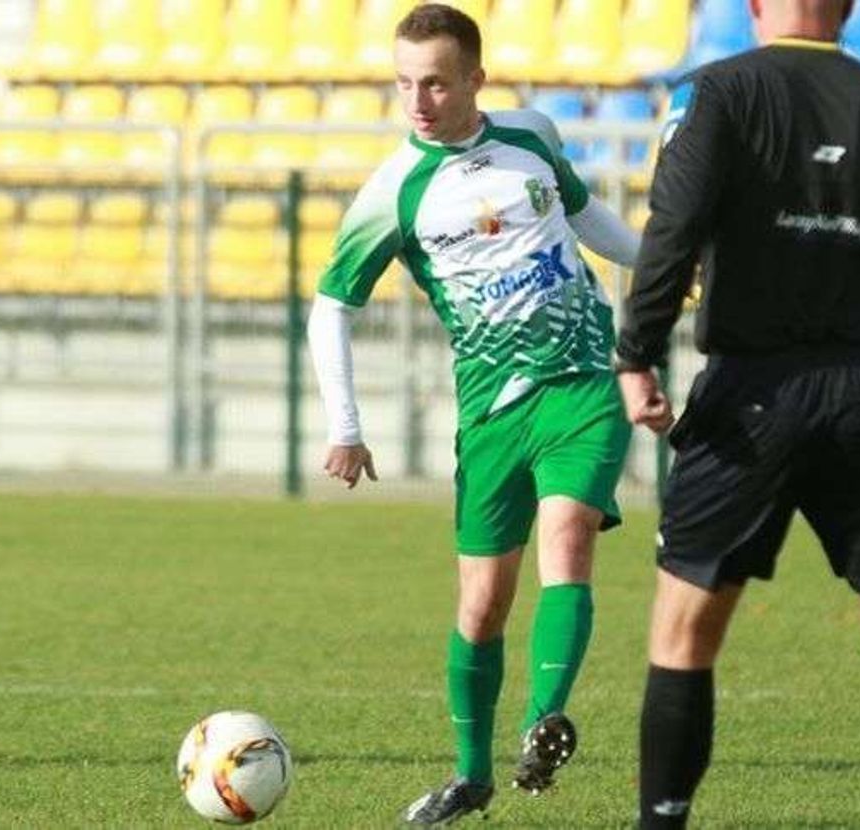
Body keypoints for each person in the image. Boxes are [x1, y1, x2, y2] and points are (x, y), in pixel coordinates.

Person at [614, 1, 860, 828]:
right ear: (851, 8)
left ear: (755, 4)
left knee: (683, 634)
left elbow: (674, 226)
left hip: (749, 396)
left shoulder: (717, 91)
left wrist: (636, 353)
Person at [307, 3, 640, 825]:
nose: (417, 101)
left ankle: (543, 724)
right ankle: (471, 777)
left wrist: (663, 265)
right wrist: (345, 426)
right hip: (492, 411)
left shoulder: (532, 135)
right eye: (404, 84)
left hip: (581, 383)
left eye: (434, 83)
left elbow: (584, 214)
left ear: (475, 80)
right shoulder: (394, 190)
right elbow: (330, 307)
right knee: (482, 604)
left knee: (569, 538)